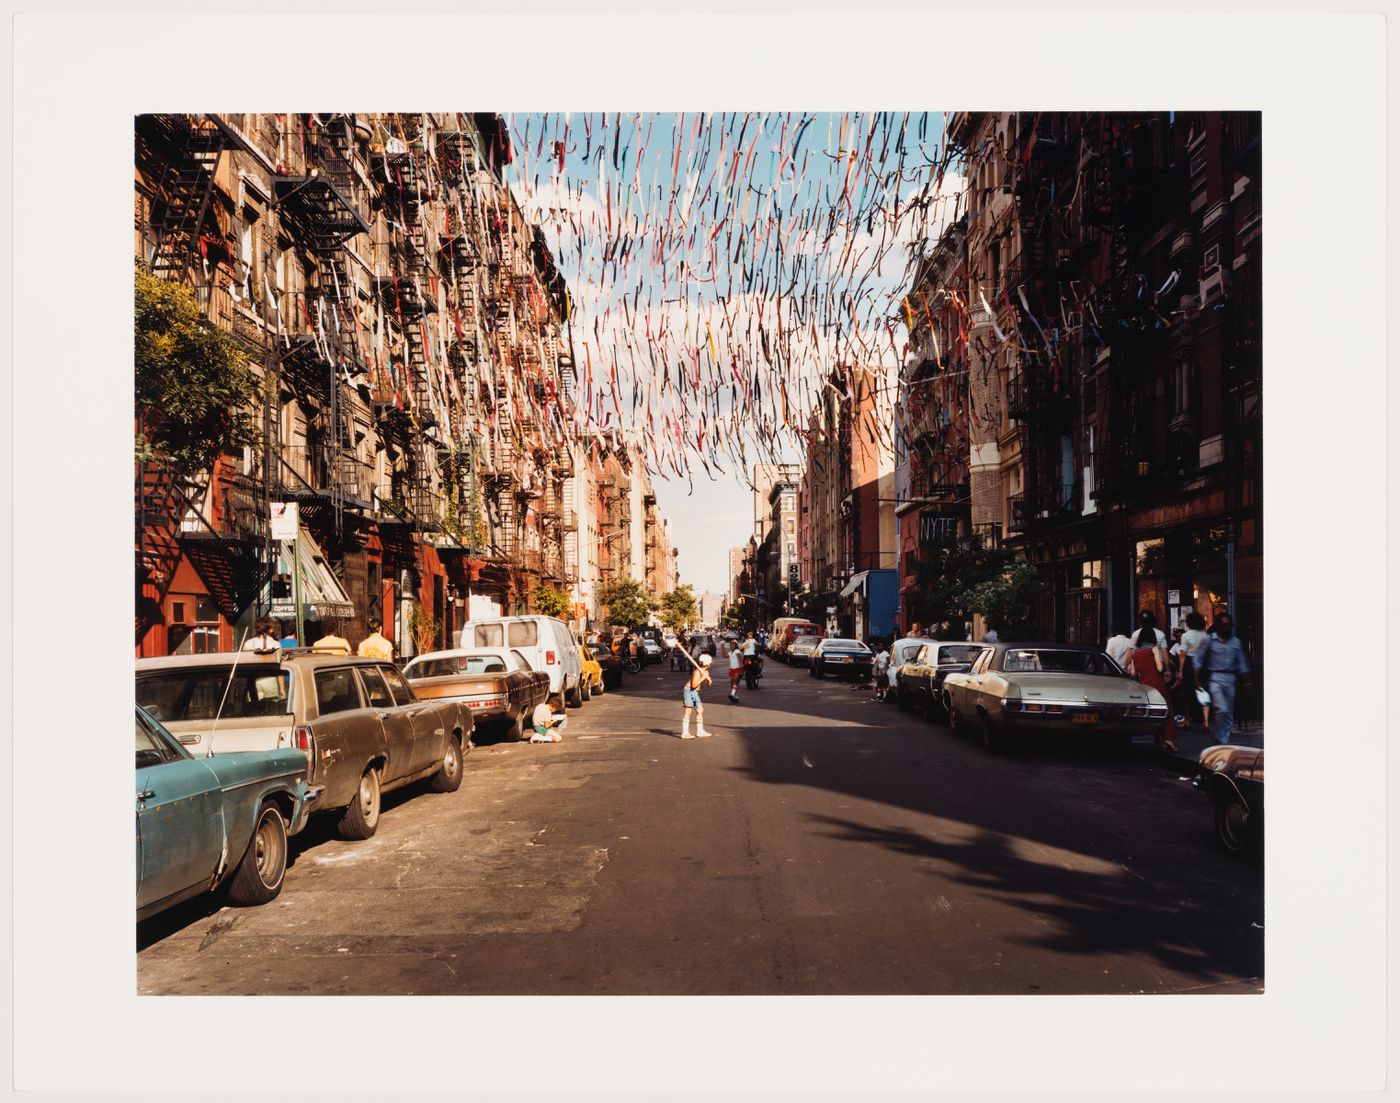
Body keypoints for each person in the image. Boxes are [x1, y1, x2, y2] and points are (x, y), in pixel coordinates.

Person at [1193, 613, 1251, 744]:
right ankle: (1221, 739)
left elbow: (1242, 663)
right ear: (1218, 626)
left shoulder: (1236, 642)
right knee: (1221, 708)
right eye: (1224, 625)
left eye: (1229, 625)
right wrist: (1197, 680)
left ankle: (1223, 738)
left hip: (1230, 678)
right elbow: (1198, 660)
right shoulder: (1209, 640)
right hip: (1215, 677)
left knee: (1228, 712)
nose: (1227, 628)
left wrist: (1247, 682)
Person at [1127, 611, 1177, 752]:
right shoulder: (1153, 648)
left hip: (1144, 684)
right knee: (1168, 710)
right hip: (1156, 682)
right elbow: (1160, 666)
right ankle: (1168, 740)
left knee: (1154, 711)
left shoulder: (1136, 653)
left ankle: (1159, 739)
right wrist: (1164, 669)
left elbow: (1132, 672)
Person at [681, 653, 713, 739]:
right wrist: (703, 677)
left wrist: (709, 681)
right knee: (688, 711)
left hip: (694, 692)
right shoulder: (697, 672)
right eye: (710, 662)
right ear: (707, 663)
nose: (711, 664)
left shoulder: (705, 671)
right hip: (689, 690)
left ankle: (700, 731)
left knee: (700, 710)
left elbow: (708, 685)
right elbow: (693, 685)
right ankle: (685, 733)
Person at [727, 638, 742, 702]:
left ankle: (732, 694)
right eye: (730, 644)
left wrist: (741, 671)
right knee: (732, 684)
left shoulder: (737, 651)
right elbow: (724, 655)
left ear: (736, 645)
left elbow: (741, 662)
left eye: (733, 644)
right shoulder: (731, 652)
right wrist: (722, 647)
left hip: (737, 669)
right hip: (731, 669)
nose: (731, 646)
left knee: (735, 683)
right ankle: (735, 696)